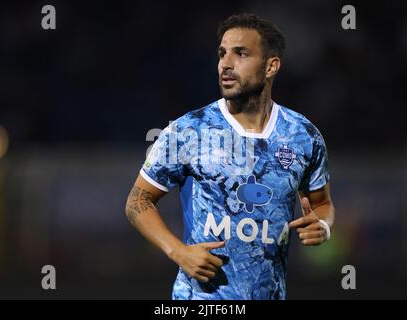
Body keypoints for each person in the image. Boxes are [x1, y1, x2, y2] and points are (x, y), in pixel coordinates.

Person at [125, 13, 335, 300]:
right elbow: (138, 200)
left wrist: (322, 224)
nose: (226, 63)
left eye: (241, 54)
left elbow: (322, 203)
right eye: (222, 54)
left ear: (271, 66)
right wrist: (179, 252)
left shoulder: (303, 135)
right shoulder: (189, 130)